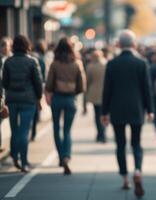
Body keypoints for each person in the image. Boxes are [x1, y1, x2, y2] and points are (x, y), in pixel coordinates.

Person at [101, 30, 154, 198]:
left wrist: (104, 112)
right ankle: (137, 170)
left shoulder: (112, 63)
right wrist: (150, 110)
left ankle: (124, 178)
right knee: (137, 143)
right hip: (137, 108)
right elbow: (147, 89)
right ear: (134, 44)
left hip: (117, 109)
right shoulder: (142, 63)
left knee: (120, 144)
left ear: (119, 44)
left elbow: (107, 90)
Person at [45, 37, 86, 175]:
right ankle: (67, 156)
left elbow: (49, 84)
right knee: (67, 130)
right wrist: (74, 91)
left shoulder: (54, 64)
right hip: (70, 99)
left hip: (57, 98)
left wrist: (49, 93)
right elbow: (82, 86)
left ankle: (61, 156)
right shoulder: (77, 64)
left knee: (56, 128)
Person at [3, 35, 43, 172]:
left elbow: (4, 83)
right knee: (24, 131)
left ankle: (15, 157)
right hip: (28, 100)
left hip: (12, 100)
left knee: (14, 130)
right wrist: (39, 98)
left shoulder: (8, 62)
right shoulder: (32, 61)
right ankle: (24, 161)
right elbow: (38, 82)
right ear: (27, 46)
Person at [86, 50, 107, 143]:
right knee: (105, 114)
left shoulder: (90, 66)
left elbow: (87, 81)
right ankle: (103, 133)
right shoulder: (106, 65)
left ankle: (100, 134)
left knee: (97, 115)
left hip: (94, 93)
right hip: (105, 93)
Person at [0, 37, 12, 152]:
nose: (6, 48)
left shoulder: (9, 58)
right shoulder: (3, 60)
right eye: (5, 46)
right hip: (4, 95)